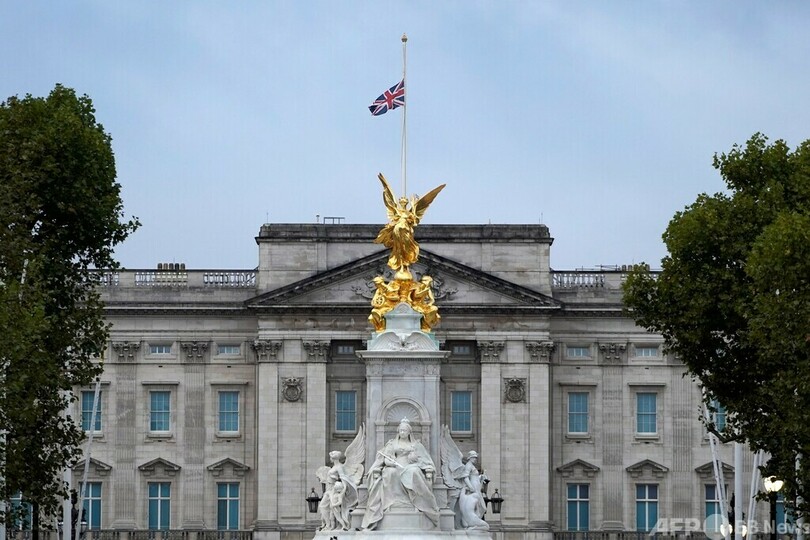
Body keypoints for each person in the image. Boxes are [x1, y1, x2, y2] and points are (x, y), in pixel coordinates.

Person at [361, 418, 440, 530]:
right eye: (401, 430)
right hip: (395, 466)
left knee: (414, 472)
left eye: (404, 431)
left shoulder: (416, 445)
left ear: (409, 432)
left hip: (411, 466)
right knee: (389, 473)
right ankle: (391, 503)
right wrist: (391, 464)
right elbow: (386, 460)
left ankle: (417, 501)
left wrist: (416, 460)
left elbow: (424, 460)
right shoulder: (392, 444)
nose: (402, 432)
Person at [317, 450, 359, 531]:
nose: (330, 459)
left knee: (325, 507)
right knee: (324, 507)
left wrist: (342, 492)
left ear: (334, 458)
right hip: (328, 489)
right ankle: (328, 525)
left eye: (330, 457)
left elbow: (343, 478)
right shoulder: (334, 467)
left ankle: (331, 526)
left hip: (333, 490)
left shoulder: (340, 467)